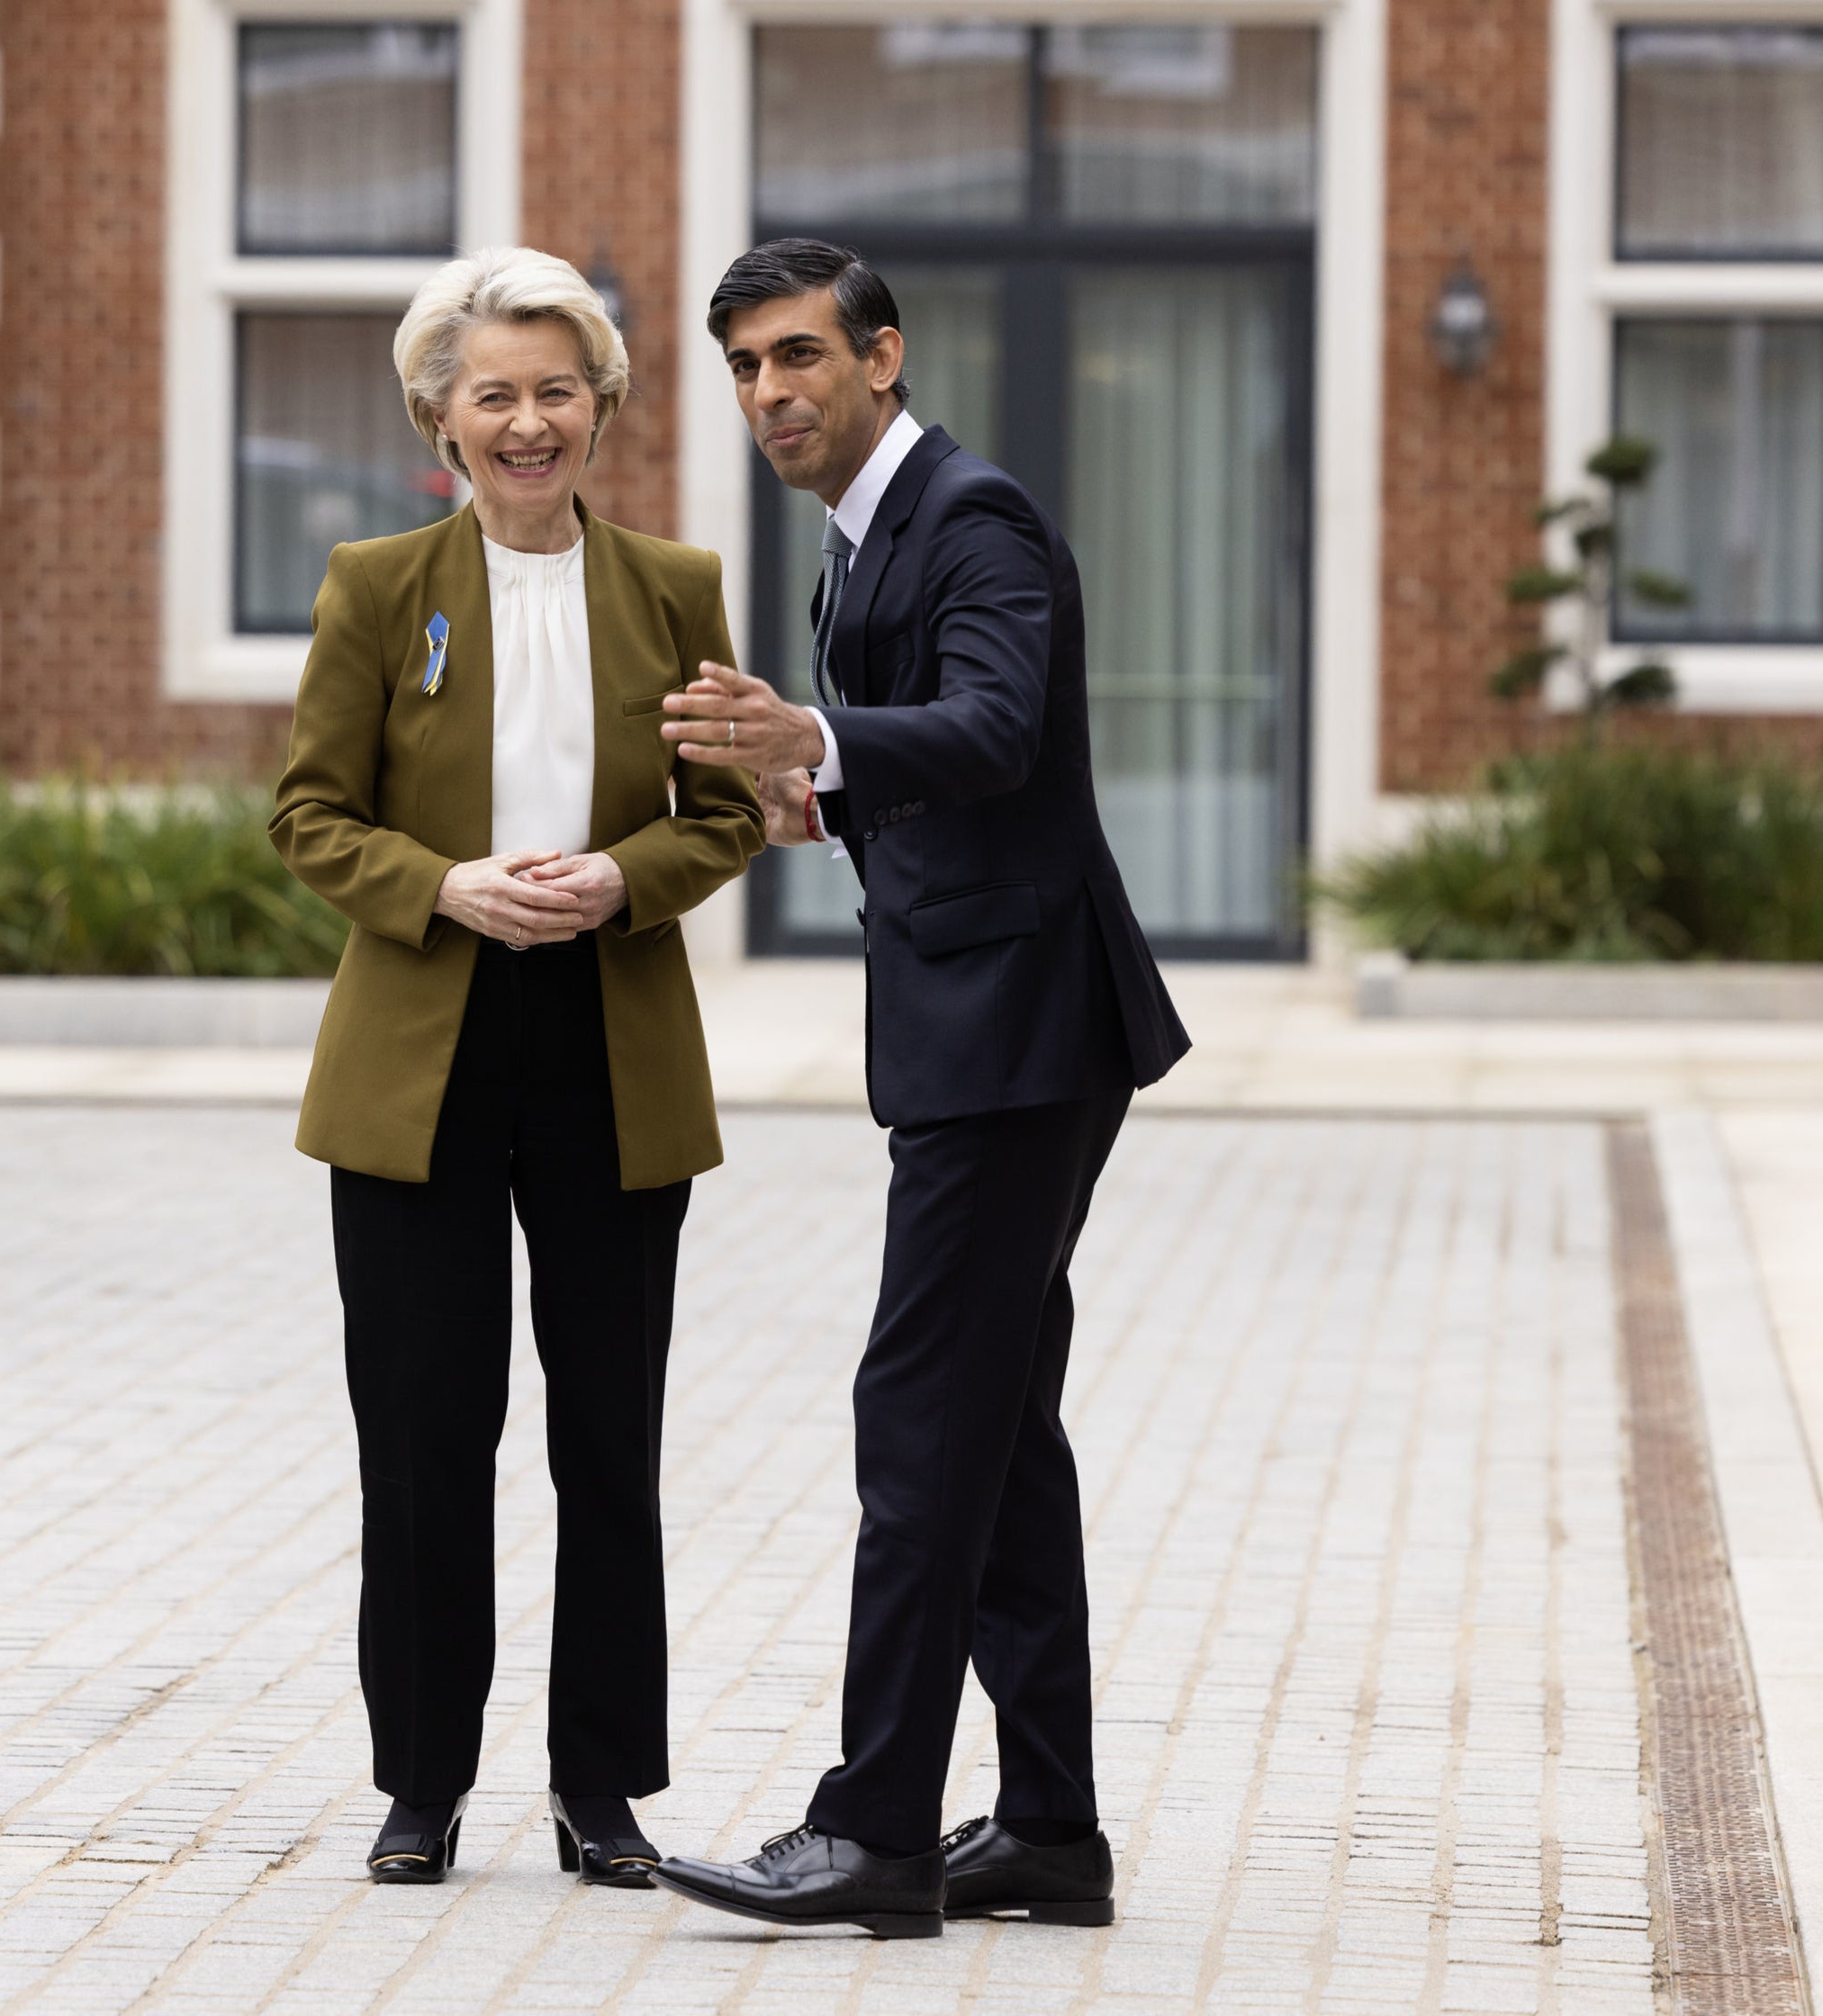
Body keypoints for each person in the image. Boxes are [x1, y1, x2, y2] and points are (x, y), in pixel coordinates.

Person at [646, 239, 1192, 1939]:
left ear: (882, 358)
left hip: (1023, 1031)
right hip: (984, 1022)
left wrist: (819, 742)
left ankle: (876, 1828)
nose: (770, 394)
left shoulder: (972, 517)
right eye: (744, 366)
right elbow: (941, 761)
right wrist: (834, 794)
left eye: (799, 356)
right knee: (1000, 1428)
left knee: (923, 1417)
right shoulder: (861, 534)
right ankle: (1048, 1828)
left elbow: (1001, 723)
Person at [269, 248, 762, 1890]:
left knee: (607, 1436)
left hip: (610, 1045)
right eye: (498, 394)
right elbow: (311, 815)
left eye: (560, 390)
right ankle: (422, 1784)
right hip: (422, 1044)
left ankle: (603, 1792)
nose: (530, 420)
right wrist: (445, 887)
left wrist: (626, 877)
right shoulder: (373, 584)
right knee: (423, 1436)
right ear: (441, 416)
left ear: (603, 409)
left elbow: (726, 815)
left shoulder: (675, 587)